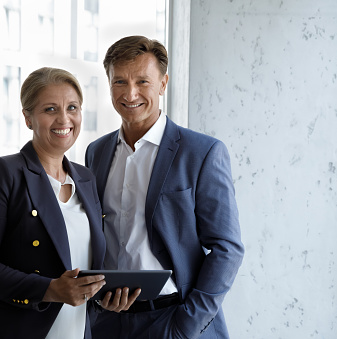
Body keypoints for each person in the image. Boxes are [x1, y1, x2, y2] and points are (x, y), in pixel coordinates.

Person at [85, 35, 244, 338]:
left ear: (163, 83)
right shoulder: (97, 152)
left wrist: (186, 325)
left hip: (172, 320)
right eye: (119, 82)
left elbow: (228, 248)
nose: (130, 93)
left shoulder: (202, 152)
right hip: (108, 321)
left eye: (142, 81)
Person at [0, 67, 107, 339]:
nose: (64, 118)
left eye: (72, 107)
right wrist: (49, 289)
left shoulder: (86, 178)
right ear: (28, 118)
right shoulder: (3, 173)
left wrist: (105, 295)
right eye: (50, 109)